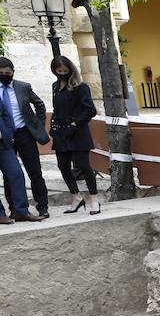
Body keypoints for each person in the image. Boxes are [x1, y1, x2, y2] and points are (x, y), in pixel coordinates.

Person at [48, 56, 101, 215]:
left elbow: (90, 109)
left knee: (84, 166)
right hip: (61, 133)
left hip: (77, 132)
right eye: (59, 71)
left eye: (65, 71)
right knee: (63, 166)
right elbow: (57, 109)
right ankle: (76, 197)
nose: (62, 73)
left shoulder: (80, 87)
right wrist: (53, 127)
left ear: (70, 70)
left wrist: (74, 124)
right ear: (54, 71)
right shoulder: (55, 86)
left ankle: (94, 199)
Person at [0, 57, 51, 218]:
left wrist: (38, 125)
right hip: (5, 135)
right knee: (11, 174)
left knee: (34, 171)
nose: (4, 75)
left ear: (13, 72)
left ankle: (42, 206)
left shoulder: (23, 87)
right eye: (1, 73)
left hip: (24, 133)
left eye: (7, 73)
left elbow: (39, 105)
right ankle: (15, 209)